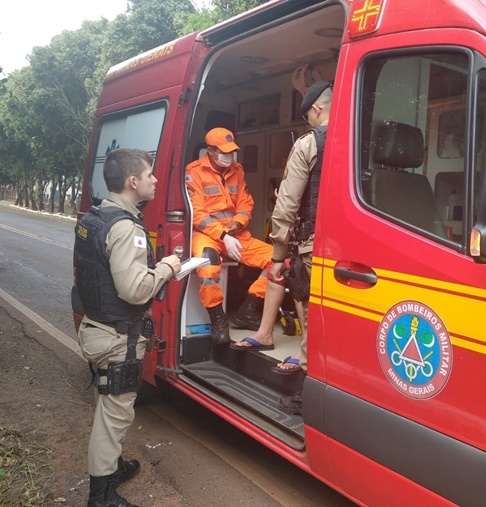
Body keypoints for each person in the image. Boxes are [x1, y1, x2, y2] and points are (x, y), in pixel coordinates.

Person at [74, 148, 181, 507]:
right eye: (149, 175)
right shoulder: (125, 227)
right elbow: (134, 290)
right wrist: (167, 266)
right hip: (117, 337)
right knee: (114, 415)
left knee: (108, 407)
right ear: (133, 182)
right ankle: (100, 494)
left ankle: (113, 466)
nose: (154, 180)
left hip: (96, 328)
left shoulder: (96, 216)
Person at [270, 80, 332, 414]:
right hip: (355, 247)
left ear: (317, 109)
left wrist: (279, 255)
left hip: (317, 248)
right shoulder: (358, 140)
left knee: (314, 321)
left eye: (307, 113)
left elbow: (287, 205)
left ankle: (308, 395)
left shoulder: (310, 143)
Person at [185, 127, 273, 346]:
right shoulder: (193, 172)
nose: (229, 156)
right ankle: (218, 320)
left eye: (231, 151)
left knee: (280, 261)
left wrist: (236, 224)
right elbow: (198, 215)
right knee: (208, 263)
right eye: (223, 151)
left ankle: (249, 309)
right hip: (207, 234)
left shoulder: (237, 170)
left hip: (235, 233)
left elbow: (245, 204)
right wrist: (222, 234)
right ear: (211, 151)